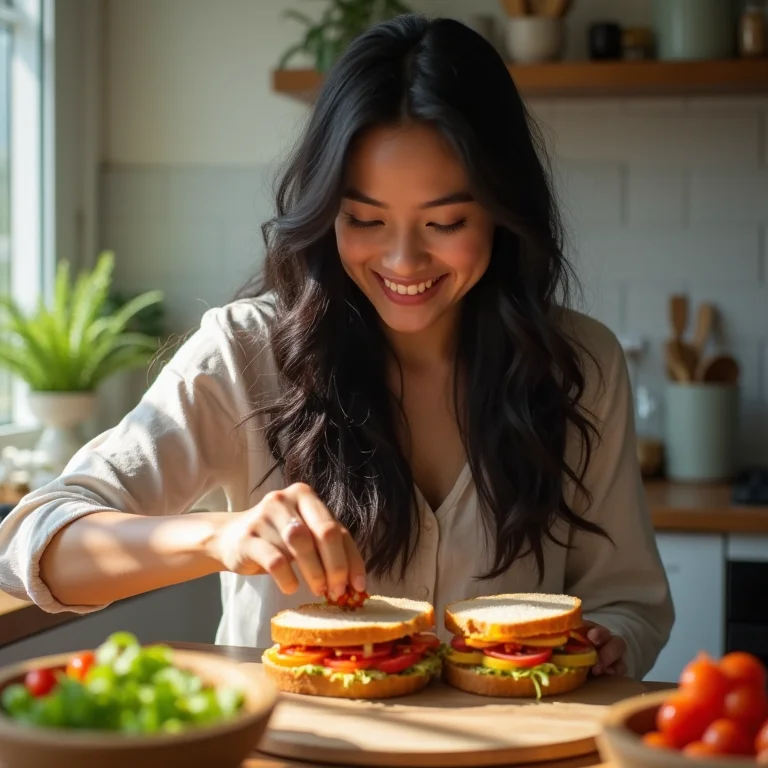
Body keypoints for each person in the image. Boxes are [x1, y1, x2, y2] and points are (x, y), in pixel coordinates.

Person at [0, 14, 672, 679]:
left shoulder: (581, 367)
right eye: (365, 219)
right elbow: (38, 541)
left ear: (503, 209)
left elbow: (630, 599)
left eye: (445, 221)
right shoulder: (243, 355)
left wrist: (609, 639)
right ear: (327, 212)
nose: (404, 259)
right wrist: (220, 537)